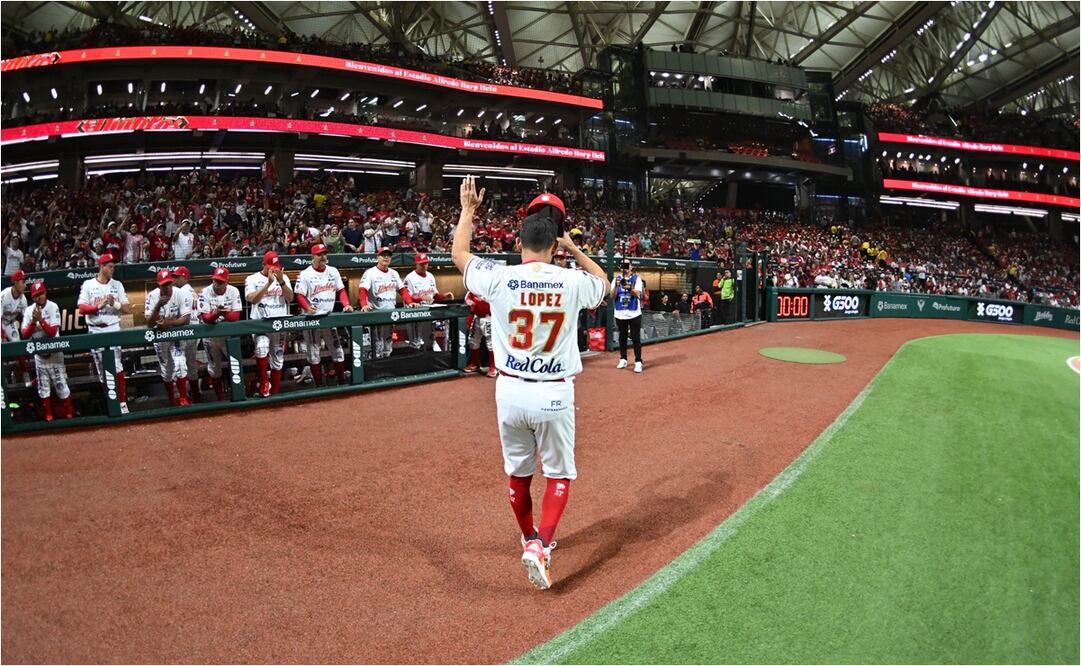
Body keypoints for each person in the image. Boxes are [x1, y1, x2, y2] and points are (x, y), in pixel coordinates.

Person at [452, 178, 609, 590]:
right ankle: (541, 545)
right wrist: (574, 248)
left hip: (510, 390)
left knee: (518, 477)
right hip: (554, 390)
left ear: (519, 243)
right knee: (559, 475)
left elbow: (459, 253)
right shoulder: (572, 280)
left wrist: (469, 209)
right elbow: (603, 284)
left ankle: (528, 537)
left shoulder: (500, 277)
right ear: (555, 246)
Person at [77, 253, 132, 414]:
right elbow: (81, 307)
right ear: (101, 267)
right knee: (102, 370)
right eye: (109, 266)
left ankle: (122, 403)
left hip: (112, 327)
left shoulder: (117, 285)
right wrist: (97, 307)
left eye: (113, 266)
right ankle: (111, 402)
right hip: (95, 329)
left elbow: (127, 309)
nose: (112, 269)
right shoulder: (88, 284)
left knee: (116, 365)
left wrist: (112, 302)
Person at [294, 243, 353, 386]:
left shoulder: (333, 271)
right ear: (312, 257)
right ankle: (319, 386)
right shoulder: (305, 274)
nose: (323, 257)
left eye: (324, 254)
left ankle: (341, 381)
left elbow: (341, 290)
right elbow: (299, 295)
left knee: (338, 351)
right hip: (312, 320)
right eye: (319, 254)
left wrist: (346, 304)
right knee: (314, 355)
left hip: (328, 318)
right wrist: (307, 307)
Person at [20, 280, 72, 421]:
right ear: (32, 297)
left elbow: (52, 331)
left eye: (41, 293)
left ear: (45, 292)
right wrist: (32, 322)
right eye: (36, 295)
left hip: (55, 353)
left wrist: (41, 321)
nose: (40, 297)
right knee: (43, 388)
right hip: (40, 356)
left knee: (61, 384)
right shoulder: (29, 311)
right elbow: (24, 334)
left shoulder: (52, 306)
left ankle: (69, 414)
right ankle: (48, 415)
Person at [245, 251, 294, 397]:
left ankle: (275, 391)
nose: (274, 269)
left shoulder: (283, 277)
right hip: (261, 323)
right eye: (270, 266)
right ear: (263, 264)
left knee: (278, 358)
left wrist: (281, 282)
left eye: (276, 266)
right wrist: (269, 283)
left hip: (279, 321)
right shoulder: (252, 278)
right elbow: (253, 299)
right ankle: (265, 381)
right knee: (261, 349)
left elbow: (290, 297)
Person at [145, 269, 194, 406]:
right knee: (167, 370)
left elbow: (186, 319)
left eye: (168, 284)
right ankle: (172, 399)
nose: (166, 287)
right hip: (160, 337)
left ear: (172, 282)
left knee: (180, 364)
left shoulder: (180, 294)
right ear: (158, 284)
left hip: (175, 335)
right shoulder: (152, 296)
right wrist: (158, 305)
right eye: (163, 285)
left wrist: (169, 323)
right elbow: (149, 322)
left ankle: (183, 398)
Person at [359, 246, 413, 360]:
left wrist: (410, 302)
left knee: (387, 346)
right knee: (376, 346)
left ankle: (386, 368)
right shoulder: (370, 273)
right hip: (376, 314)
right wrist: (364, 304)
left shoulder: (394, 273)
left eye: (388, 255)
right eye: (383, 255)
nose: (386, 257)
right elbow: (362, 290)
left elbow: (402, 290)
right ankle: (374, 369)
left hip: (389, 314)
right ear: (377, 257)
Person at [197, 266, 242, 400]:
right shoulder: (205, 292)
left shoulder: (233, 291)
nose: (217, 284)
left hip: (228, 336)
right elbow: (206, 318)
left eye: (221, 281)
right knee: (214, 368)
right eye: (216, 280)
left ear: (226, 281)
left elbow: (236, 317)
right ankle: (220, 398)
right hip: (211, 336)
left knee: (235, 364)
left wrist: (223, 313)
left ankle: (238, 393)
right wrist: (217, 313)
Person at [403, 252, 454, 352]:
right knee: (416, 343)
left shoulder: (430, 276)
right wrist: (421, 298)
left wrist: (444, 296)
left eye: (426, 263)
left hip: (429, 313)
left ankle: (429, 365)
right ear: (416, 264)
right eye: (421, 264)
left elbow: (434, 295)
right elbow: (407, 297)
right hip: (415, 314)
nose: (424, 266)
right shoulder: (410, 278)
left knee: (430, 341)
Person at [172, 266, 200, 401]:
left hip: (185, 329)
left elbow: (181, 314)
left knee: (180, 364)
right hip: (195, 330)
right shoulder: (192, 291)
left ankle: (183, 397)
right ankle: (196, 394)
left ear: (185, 277)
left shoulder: (181, 291)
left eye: (177, 277)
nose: (174, 279)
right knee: (191, 364)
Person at [612, 258, 644, 372]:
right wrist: (616, 286)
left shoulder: (637, 279)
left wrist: (629, 287)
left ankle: (638, 361)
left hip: (634, 313)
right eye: (623, 266)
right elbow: (612, 296)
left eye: (627, 265)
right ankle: (623, 358)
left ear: (631, 267)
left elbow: (638, 294)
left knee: (635, 337)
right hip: (620, 313)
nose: (625, 268)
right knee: (622, 337)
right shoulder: (617, 279)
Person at [1, 269, 30, 385]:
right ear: (16, 283)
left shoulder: (23, 299)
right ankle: (2, 377)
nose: (25, 284)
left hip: (10, 322)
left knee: (17, 343)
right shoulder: (3, 296)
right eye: (23, 282)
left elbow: (26, 319)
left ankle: (25, 372)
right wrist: (1, 335)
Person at [463, 291, 495, 377]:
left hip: (489, 317)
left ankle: (493, 367)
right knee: (473, 340)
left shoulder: (491, 286)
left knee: (491, 343)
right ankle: (475, 364)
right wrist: (469, 301)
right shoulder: (474, 286)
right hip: (477, 316)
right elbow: (467, 297)